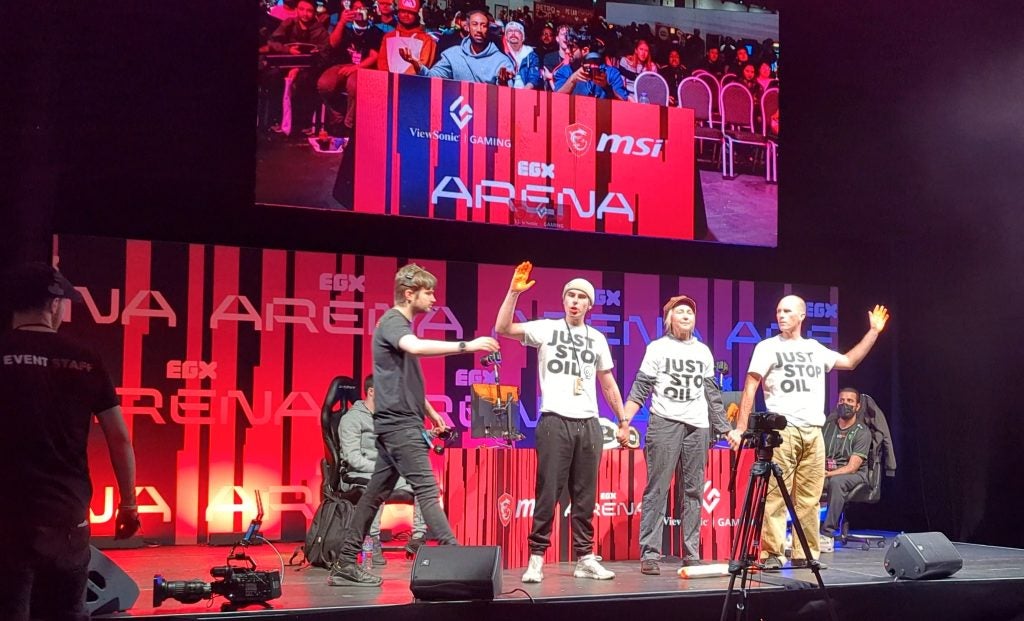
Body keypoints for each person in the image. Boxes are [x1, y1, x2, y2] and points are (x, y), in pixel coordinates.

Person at [328, 263, 500, 586]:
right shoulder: (395, 323)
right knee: (427, 491)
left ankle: (346, 562)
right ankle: (459, 563)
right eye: (428, 292)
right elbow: (416, 348)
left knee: (373, 496)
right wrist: (468, 345)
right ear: (409, 294)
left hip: (399, 425)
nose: (434, 298)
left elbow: (401, 379)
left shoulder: (399, 326)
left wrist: (431, 413)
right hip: (399, 428)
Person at [0, 263, 139, 621]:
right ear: (54, 304)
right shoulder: (85, 360)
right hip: (66, 518)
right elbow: (119, 438)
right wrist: (128, 506)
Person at [726, 296, 889, 570]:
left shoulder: (814, 348)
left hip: (813, 432)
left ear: (802, 316)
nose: (781, 315)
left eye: (787, 311)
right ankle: (773, 553)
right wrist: (742, 427)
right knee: (777, 494)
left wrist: (873, 331)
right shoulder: (767, 347)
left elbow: (849, 361)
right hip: (784, 431)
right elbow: (751, 384)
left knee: (810, 498)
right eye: (778, 310)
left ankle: (805, 552)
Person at [495, 261, 625, 583]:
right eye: (571, 295)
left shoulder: (596, 338)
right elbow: (503, 328)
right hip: (554, 420)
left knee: (585, 495)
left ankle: (584, 557)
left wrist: (623, 420)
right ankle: (536, 558)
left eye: (582, 297)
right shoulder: (548, 329)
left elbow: (607, 382)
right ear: (564, 300)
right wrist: (513, 292)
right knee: (548, 491)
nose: (575, 301)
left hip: (589, 423)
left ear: (589, 305)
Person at [618, 295, 732, 575]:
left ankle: (691, 552)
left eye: (690, 312)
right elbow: (641, 387)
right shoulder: (657, 348)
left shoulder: (704, 352)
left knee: (693, 491)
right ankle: (650, 553)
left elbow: (712, 396)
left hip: (697, 427)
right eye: (680, 312)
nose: (686, 316)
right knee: (657, 488)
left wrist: (726, 429)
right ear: (669, 318)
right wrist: (624, 420)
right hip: (664, 423)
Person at [338, 374, 427, 564]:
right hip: (356, 474)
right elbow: (352, 458)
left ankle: (418, 538)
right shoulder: (351, 419)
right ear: (372, 392)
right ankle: (372, 540)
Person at [316, 0, 383, 137]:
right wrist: (341, 22)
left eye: (362, 8)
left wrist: (356, 68)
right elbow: (333, 44)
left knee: (354, 85)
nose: (359, 11)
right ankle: (336, 118)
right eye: (356, 8)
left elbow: (374, 56)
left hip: (364, 67)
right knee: (324, 84)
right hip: (342, 64)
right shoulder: (344, 27)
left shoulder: (375, 31)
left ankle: (349, 124)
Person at [265, 0, 331, 134]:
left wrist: (300, 67)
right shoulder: (289, 24)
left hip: (309, 69)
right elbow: (272, 42)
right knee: (273, 77)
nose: (305, 14)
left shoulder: (320, 31)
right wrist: (287, 50)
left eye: (309, 10)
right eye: (301, 9)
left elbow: (324, 56)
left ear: (314, 12)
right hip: (286, 65)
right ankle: (277, 119)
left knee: (303, 81)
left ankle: (300, 123)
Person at [818, 387, 871, 552]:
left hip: (855, 474)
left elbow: (852, 466)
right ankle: (798, 532)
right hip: (825, 471)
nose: (845, 404)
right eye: (842, 400)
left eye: (850, 401)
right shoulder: (827, 427)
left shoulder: (863, 432)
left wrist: (827, 473)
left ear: (857, 407)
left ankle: (827, 534)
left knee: (836, 482)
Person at [400, 9, 514, 84]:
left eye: (483, 26)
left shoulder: (501, 61)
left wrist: (503, 82)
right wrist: (417, 65)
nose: (479, 30)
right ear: (467, 27)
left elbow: (508, 97)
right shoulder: (452, 54)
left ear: (488, 29)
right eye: (475, 24)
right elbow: (432, 77)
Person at [554, 29, 628, 100]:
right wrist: (572, 80)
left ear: (585, 50)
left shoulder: (611, 73)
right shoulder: (564, 71)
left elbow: (623, 103)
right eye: (567, 46)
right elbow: (556, 99)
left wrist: (607, 87)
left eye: (571, 47)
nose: (567, 51)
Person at [376, 0, 437, 75]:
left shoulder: (427, 40)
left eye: (410, 12)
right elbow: (382, 63)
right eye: (403, 11)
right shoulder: (388, 37)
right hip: (388, 82)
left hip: (412, 83)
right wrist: (390, 79)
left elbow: (422, 65)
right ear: (398, 13)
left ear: (416, 14)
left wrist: (402, 79)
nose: (406, 15)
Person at [503, 21, 542, 89]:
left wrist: (522, 94)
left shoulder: (531, 55)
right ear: (506, 36)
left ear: (523, 37)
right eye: (510, 31)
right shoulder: (502, 53)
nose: (513, 34)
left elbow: (534, 78)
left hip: (526, 93)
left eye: (517, 31)